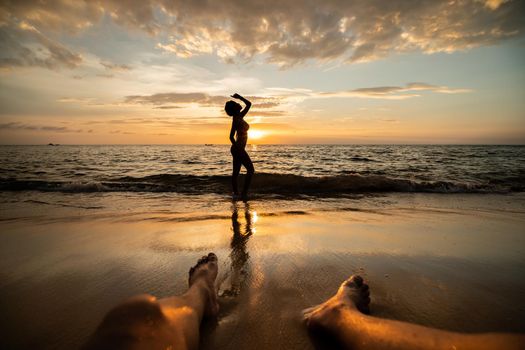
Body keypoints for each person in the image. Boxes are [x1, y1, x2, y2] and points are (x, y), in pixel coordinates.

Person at [85, 254, 525, 350]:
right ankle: (340, 317)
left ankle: (199, 294)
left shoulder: (238, 121)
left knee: (133, 324)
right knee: (134, 324)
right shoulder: (236, 124)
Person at [225, 93, 254, 200]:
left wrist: (240, 97)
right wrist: (237, 147)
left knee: (236, 173)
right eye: (236, 103)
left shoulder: (239, 116)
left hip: (237, 149)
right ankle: (243, 194)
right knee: (250, 170)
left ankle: (236, 194)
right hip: (238, 149)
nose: (238, 104)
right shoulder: (236, 118)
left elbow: (249, 104)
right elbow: (231, 136)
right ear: (235, 108)